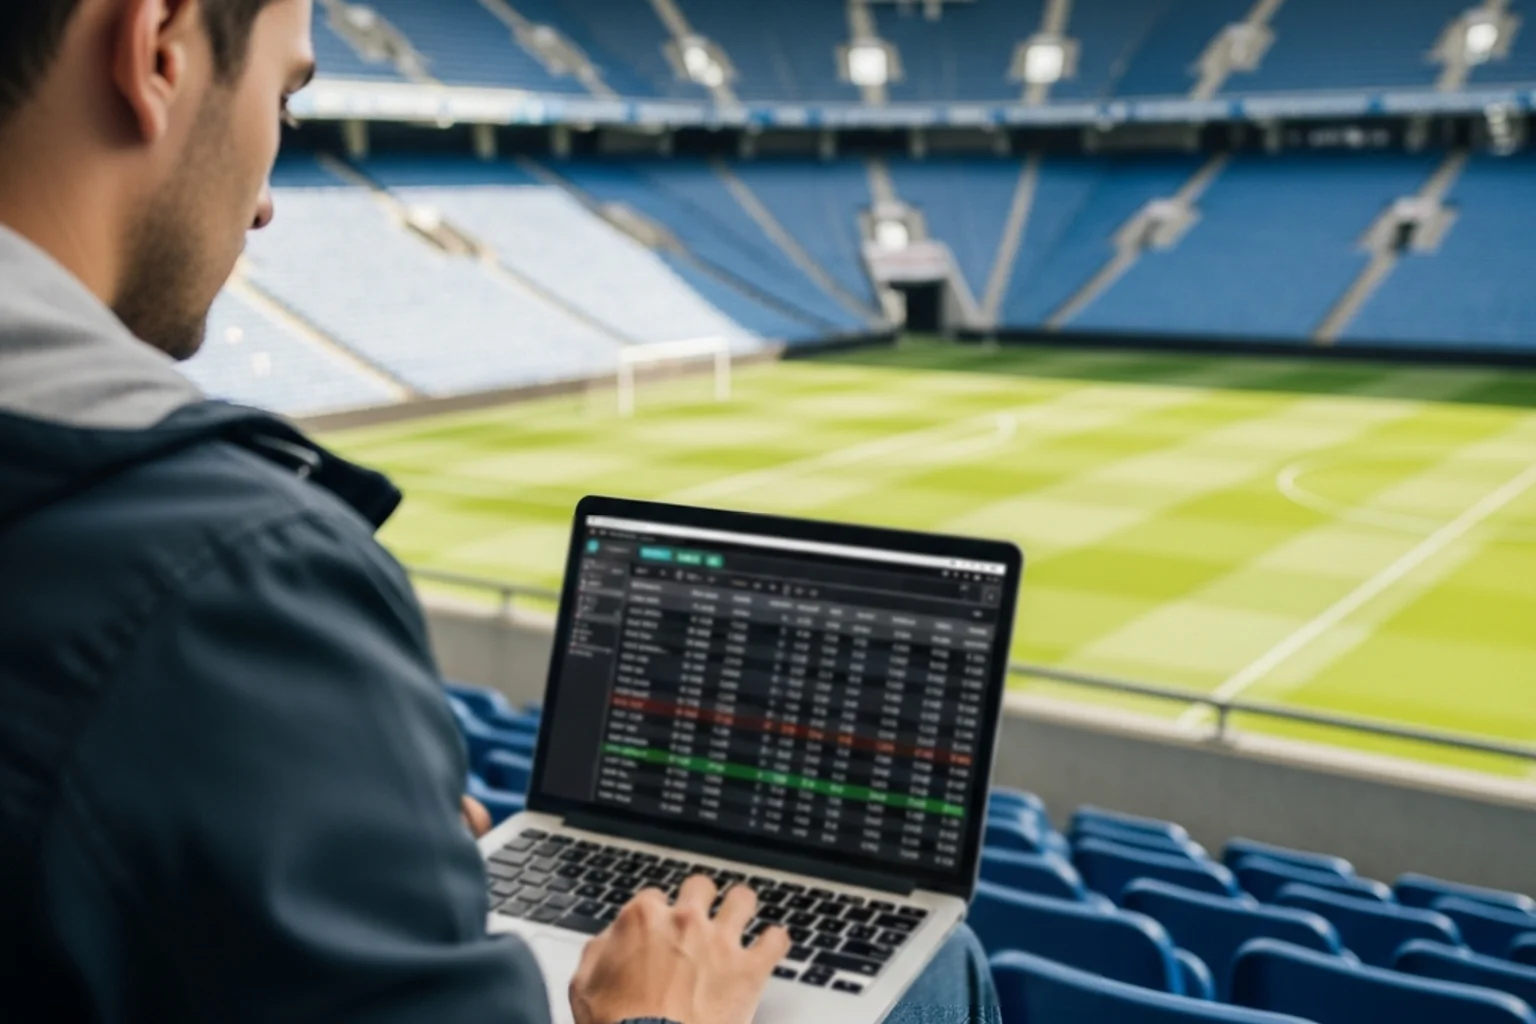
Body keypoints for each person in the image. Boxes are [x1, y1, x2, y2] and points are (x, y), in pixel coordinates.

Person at [0, 1, 1002, 1021]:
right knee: (941, 963)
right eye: (288, 98)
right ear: (158, 44)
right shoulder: (239, 584)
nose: (266, 206)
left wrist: (363, 872)